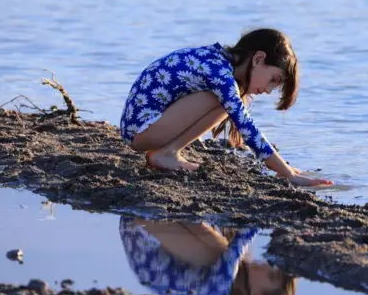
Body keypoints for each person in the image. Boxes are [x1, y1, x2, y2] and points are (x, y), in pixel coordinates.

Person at [119, 28, 333, 187]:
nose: (268, 90)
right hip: (142, 129)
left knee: (229, 101)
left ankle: (168, 153)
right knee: (225, 101)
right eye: (273, 80)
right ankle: (167, 154)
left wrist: (284, 168)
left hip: (143, 126)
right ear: (259, 59)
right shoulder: (220, 73)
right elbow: (247, 128)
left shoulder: (218, 62)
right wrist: (289, 174)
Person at [119, 216, 296, 295]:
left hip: (139, 225)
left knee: (220, 251)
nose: (267, 266)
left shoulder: (219, 290)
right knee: (223, 246)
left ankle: (182, 210)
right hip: (146, 227)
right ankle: (183, 210)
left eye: (271, 276)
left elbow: (240, 242)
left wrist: (267, 218)